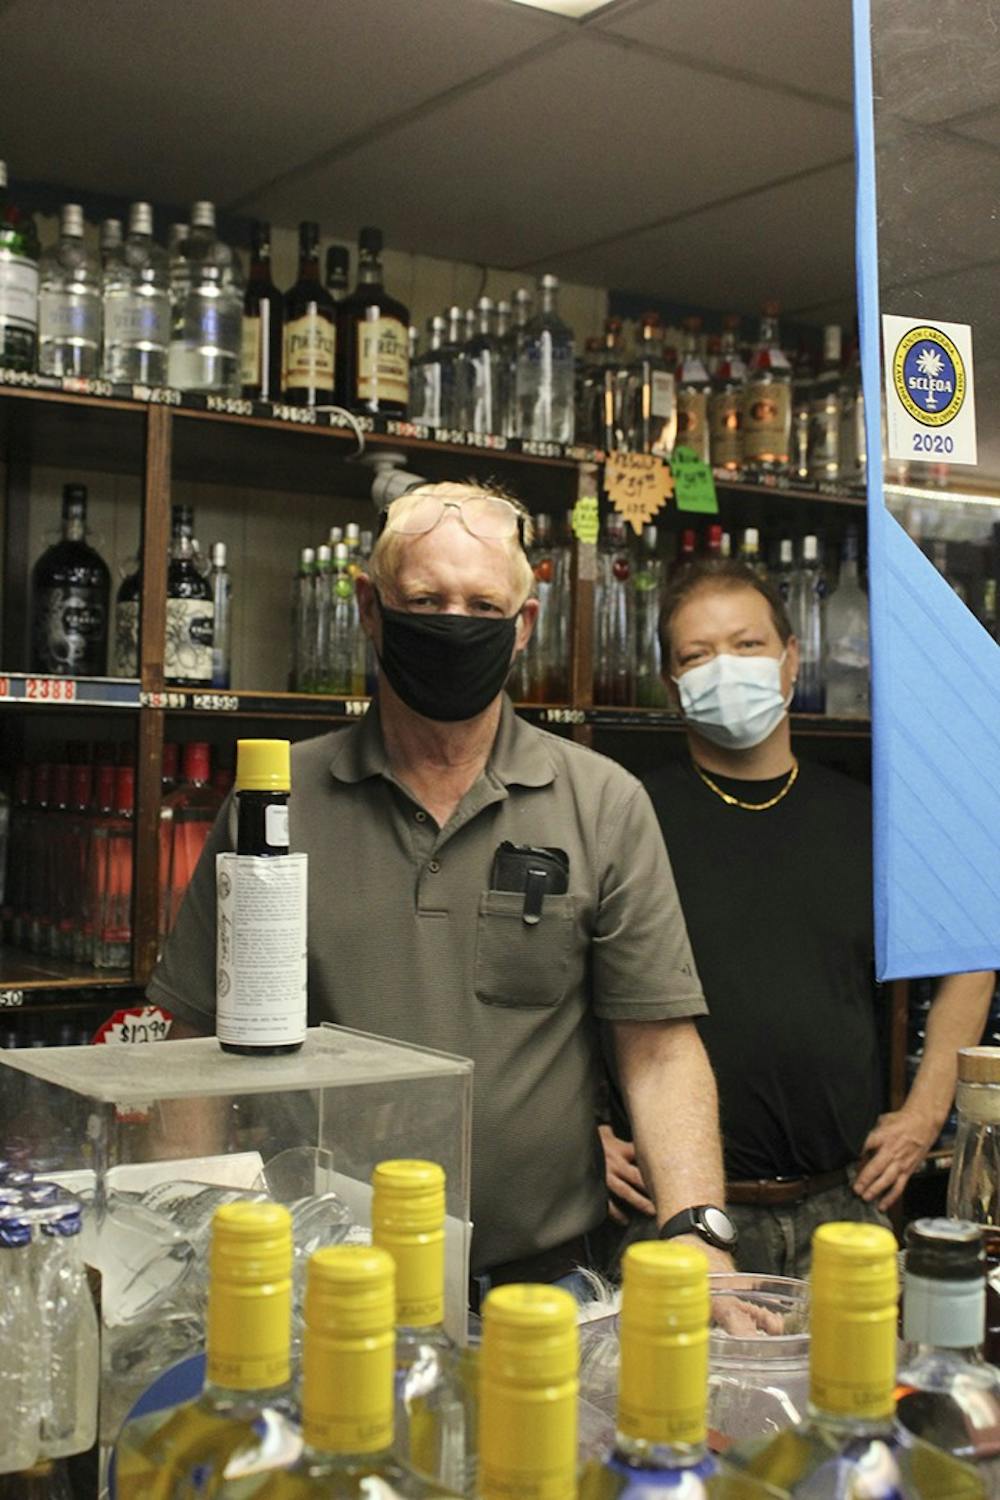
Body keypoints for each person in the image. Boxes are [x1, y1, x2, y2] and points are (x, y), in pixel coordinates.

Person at [149, 482, 738, 1305]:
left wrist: (697, 1232)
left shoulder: (601, 802)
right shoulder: (279, 805)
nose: (453, 624)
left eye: (482, 604)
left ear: (523, 626)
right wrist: (192, 1255)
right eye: (425, 599)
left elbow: (662, 1049)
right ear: (369, 607)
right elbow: (196, 1046)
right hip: (317, 1282)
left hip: (541, 1290)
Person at [599, 558, 995, 1280]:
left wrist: (927, 1109)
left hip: (845, 1210)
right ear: (672, 686)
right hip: (678, 1218)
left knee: (854, 1395)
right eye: (698, 655)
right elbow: (556, 982)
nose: (726, 668)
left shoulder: (869, 819)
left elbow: (972, 946)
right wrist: (579, 1130)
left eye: (747, 646)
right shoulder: (627, 817)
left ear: (790, 660)